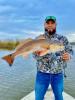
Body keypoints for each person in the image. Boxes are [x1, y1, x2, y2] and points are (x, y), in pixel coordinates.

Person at [33, 16, 73, 100]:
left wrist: (69, 56)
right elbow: (34, 56)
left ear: (56, 24)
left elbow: (70, 51)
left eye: (52, 23)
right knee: (38, 97)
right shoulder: (39, 39)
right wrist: (37, 53)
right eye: (48, 23)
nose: (50, 25)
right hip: (42, 73)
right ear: (44, 25)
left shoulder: (63, 39)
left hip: (58, 74)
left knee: (59, 97)